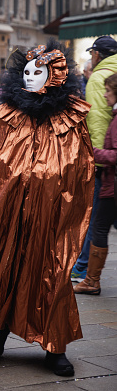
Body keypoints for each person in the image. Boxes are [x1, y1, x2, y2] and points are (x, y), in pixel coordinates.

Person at [0, 39, 95, 378]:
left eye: (37, 72)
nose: (29, 78)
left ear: (54, 76)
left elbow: (81, 169)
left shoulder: (72, 119)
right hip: (8, 211)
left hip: (52, 213)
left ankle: (55, 346)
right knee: (3, 264)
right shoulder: (7, 116)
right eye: (25, 71)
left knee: (51, 273)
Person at [71, 35, 117, 282]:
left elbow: (97, 120)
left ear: (98, 54)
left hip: (106, 162)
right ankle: (86, 271)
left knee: (98, 219)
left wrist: (96, 157)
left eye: (92, 54)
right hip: (110, 160)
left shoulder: (99, 77)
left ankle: (84, 270)